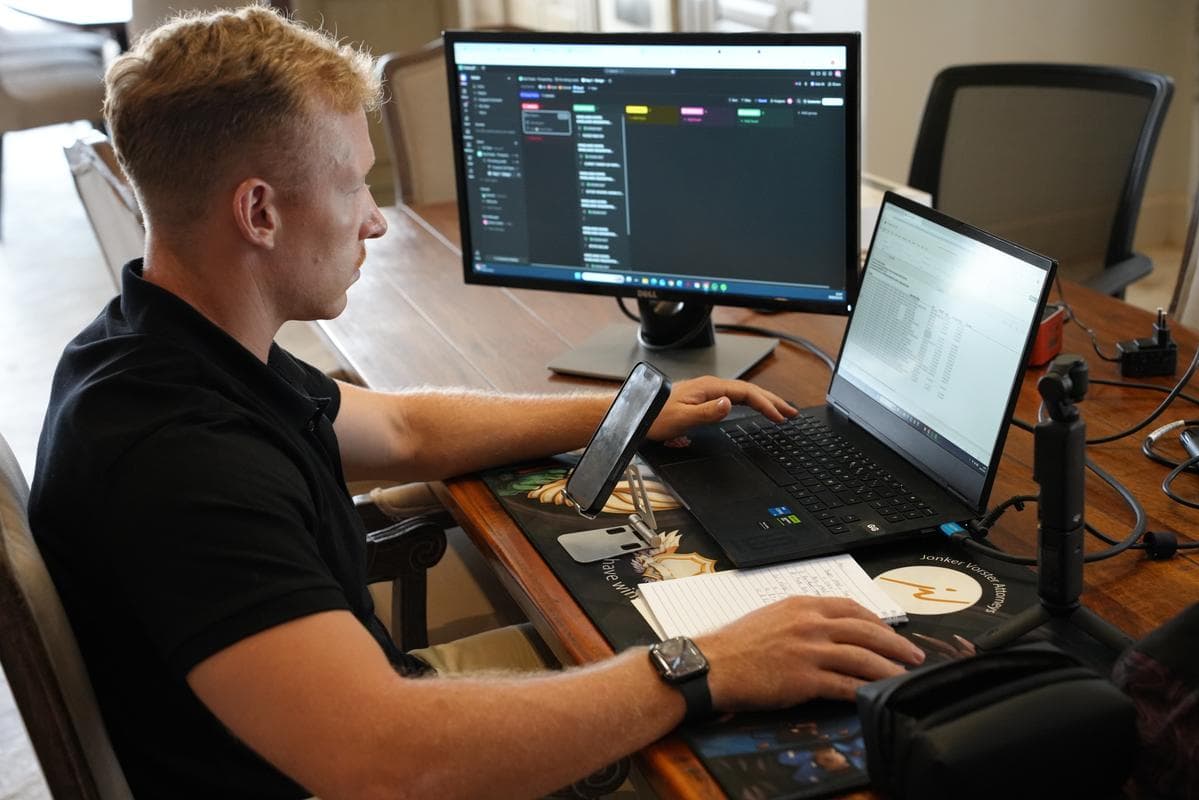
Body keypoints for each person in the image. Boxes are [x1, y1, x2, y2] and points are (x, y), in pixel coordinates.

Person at [29, 6, 925, 799]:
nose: (375, 219)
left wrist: (628, 414)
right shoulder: (174, 455)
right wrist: (711, 665)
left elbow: (402, 427)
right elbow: (388, 765)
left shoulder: (163, 344)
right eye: (353, 185)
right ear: (258, 213)